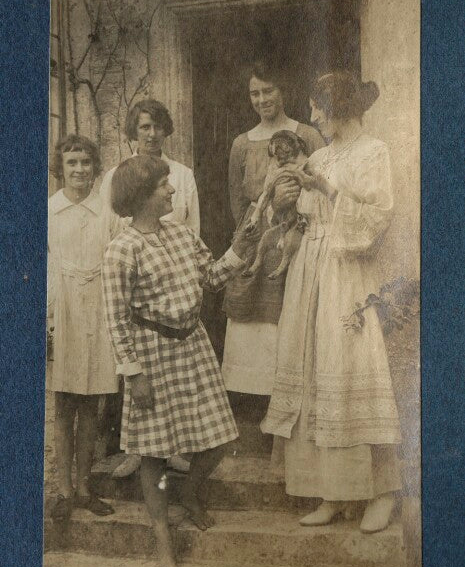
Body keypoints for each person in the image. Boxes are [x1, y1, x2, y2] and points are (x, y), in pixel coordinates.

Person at [261, 71, 402, 533]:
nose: (314, 116)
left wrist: (327, 190)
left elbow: (379, 216)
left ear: (339, 107)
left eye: (319, 107)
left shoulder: (373, 151)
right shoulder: (318, 154)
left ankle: (381, 492)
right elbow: (295, 218)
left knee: (352, 367)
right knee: (314, 371)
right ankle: (332, 493)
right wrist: (285, 200)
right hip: (311, 270)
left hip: (347, 270)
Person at [102, 155, 254, 567]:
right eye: (164, 187)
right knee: (152, 453)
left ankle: (189, 489)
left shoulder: (182, 235)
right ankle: (163, 542)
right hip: (151, 354)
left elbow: (211, 277)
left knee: (222, 438)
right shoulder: (121, 249)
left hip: (193, 346)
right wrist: (133, 373)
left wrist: (241, 248)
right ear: (140, 197)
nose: (172, 191)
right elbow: (115, 319)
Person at [100, 99, 200, 477]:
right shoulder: (116, 176)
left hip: (171, 282)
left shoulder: (182, 175)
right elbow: (111, 232)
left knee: (173, 379)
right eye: (144, 127)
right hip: (133, 281)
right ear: (133, 131)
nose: (152, 133)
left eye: (158, 126)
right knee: (135, 369)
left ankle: (171, 447)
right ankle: (137, 450)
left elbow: (193, 230)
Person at [222, 60, 324, 398]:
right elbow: (238, 202)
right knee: (254, 318)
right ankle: (255, 400)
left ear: (283, 91)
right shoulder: (242, 143)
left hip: (297, 234)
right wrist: (252, 234)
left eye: (269, 90)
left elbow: (321, 186)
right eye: (255, 93)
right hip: (258, 237)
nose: (262, 99)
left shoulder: (306, 134)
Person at [47, 134, 119, 523]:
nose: (79, 170)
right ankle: (62, 490)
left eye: (85, 162)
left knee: (91, 400)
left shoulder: (106, 211)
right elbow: (42, 266)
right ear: (61, 167)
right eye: (71, 163)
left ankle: (85, 487)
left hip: (98, 309)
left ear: (95, 167)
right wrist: (49, 315)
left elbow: (117, 259)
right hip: (63, 309)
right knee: (64, 403)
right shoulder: (49, 211)